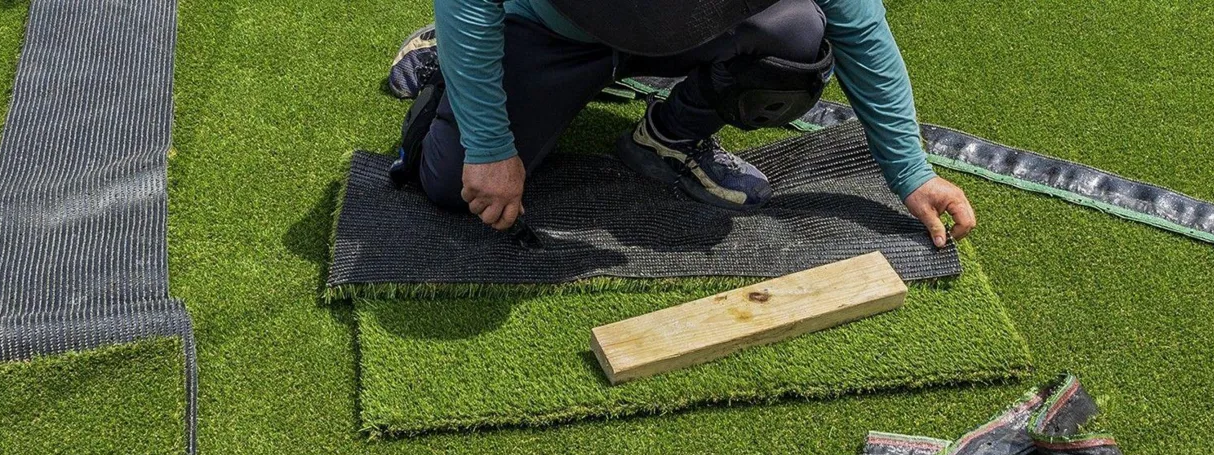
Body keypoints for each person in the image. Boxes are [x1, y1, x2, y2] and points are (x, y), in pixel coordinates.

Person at [390, 0, 976, 248]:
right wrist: (489, 145)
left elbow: (860, 29)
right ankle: (448, 58)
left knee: (797, 34)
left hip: (677, 32)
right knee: (452, 184)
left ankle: (668, 136)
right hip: (550, 32)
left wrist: (911, 172)